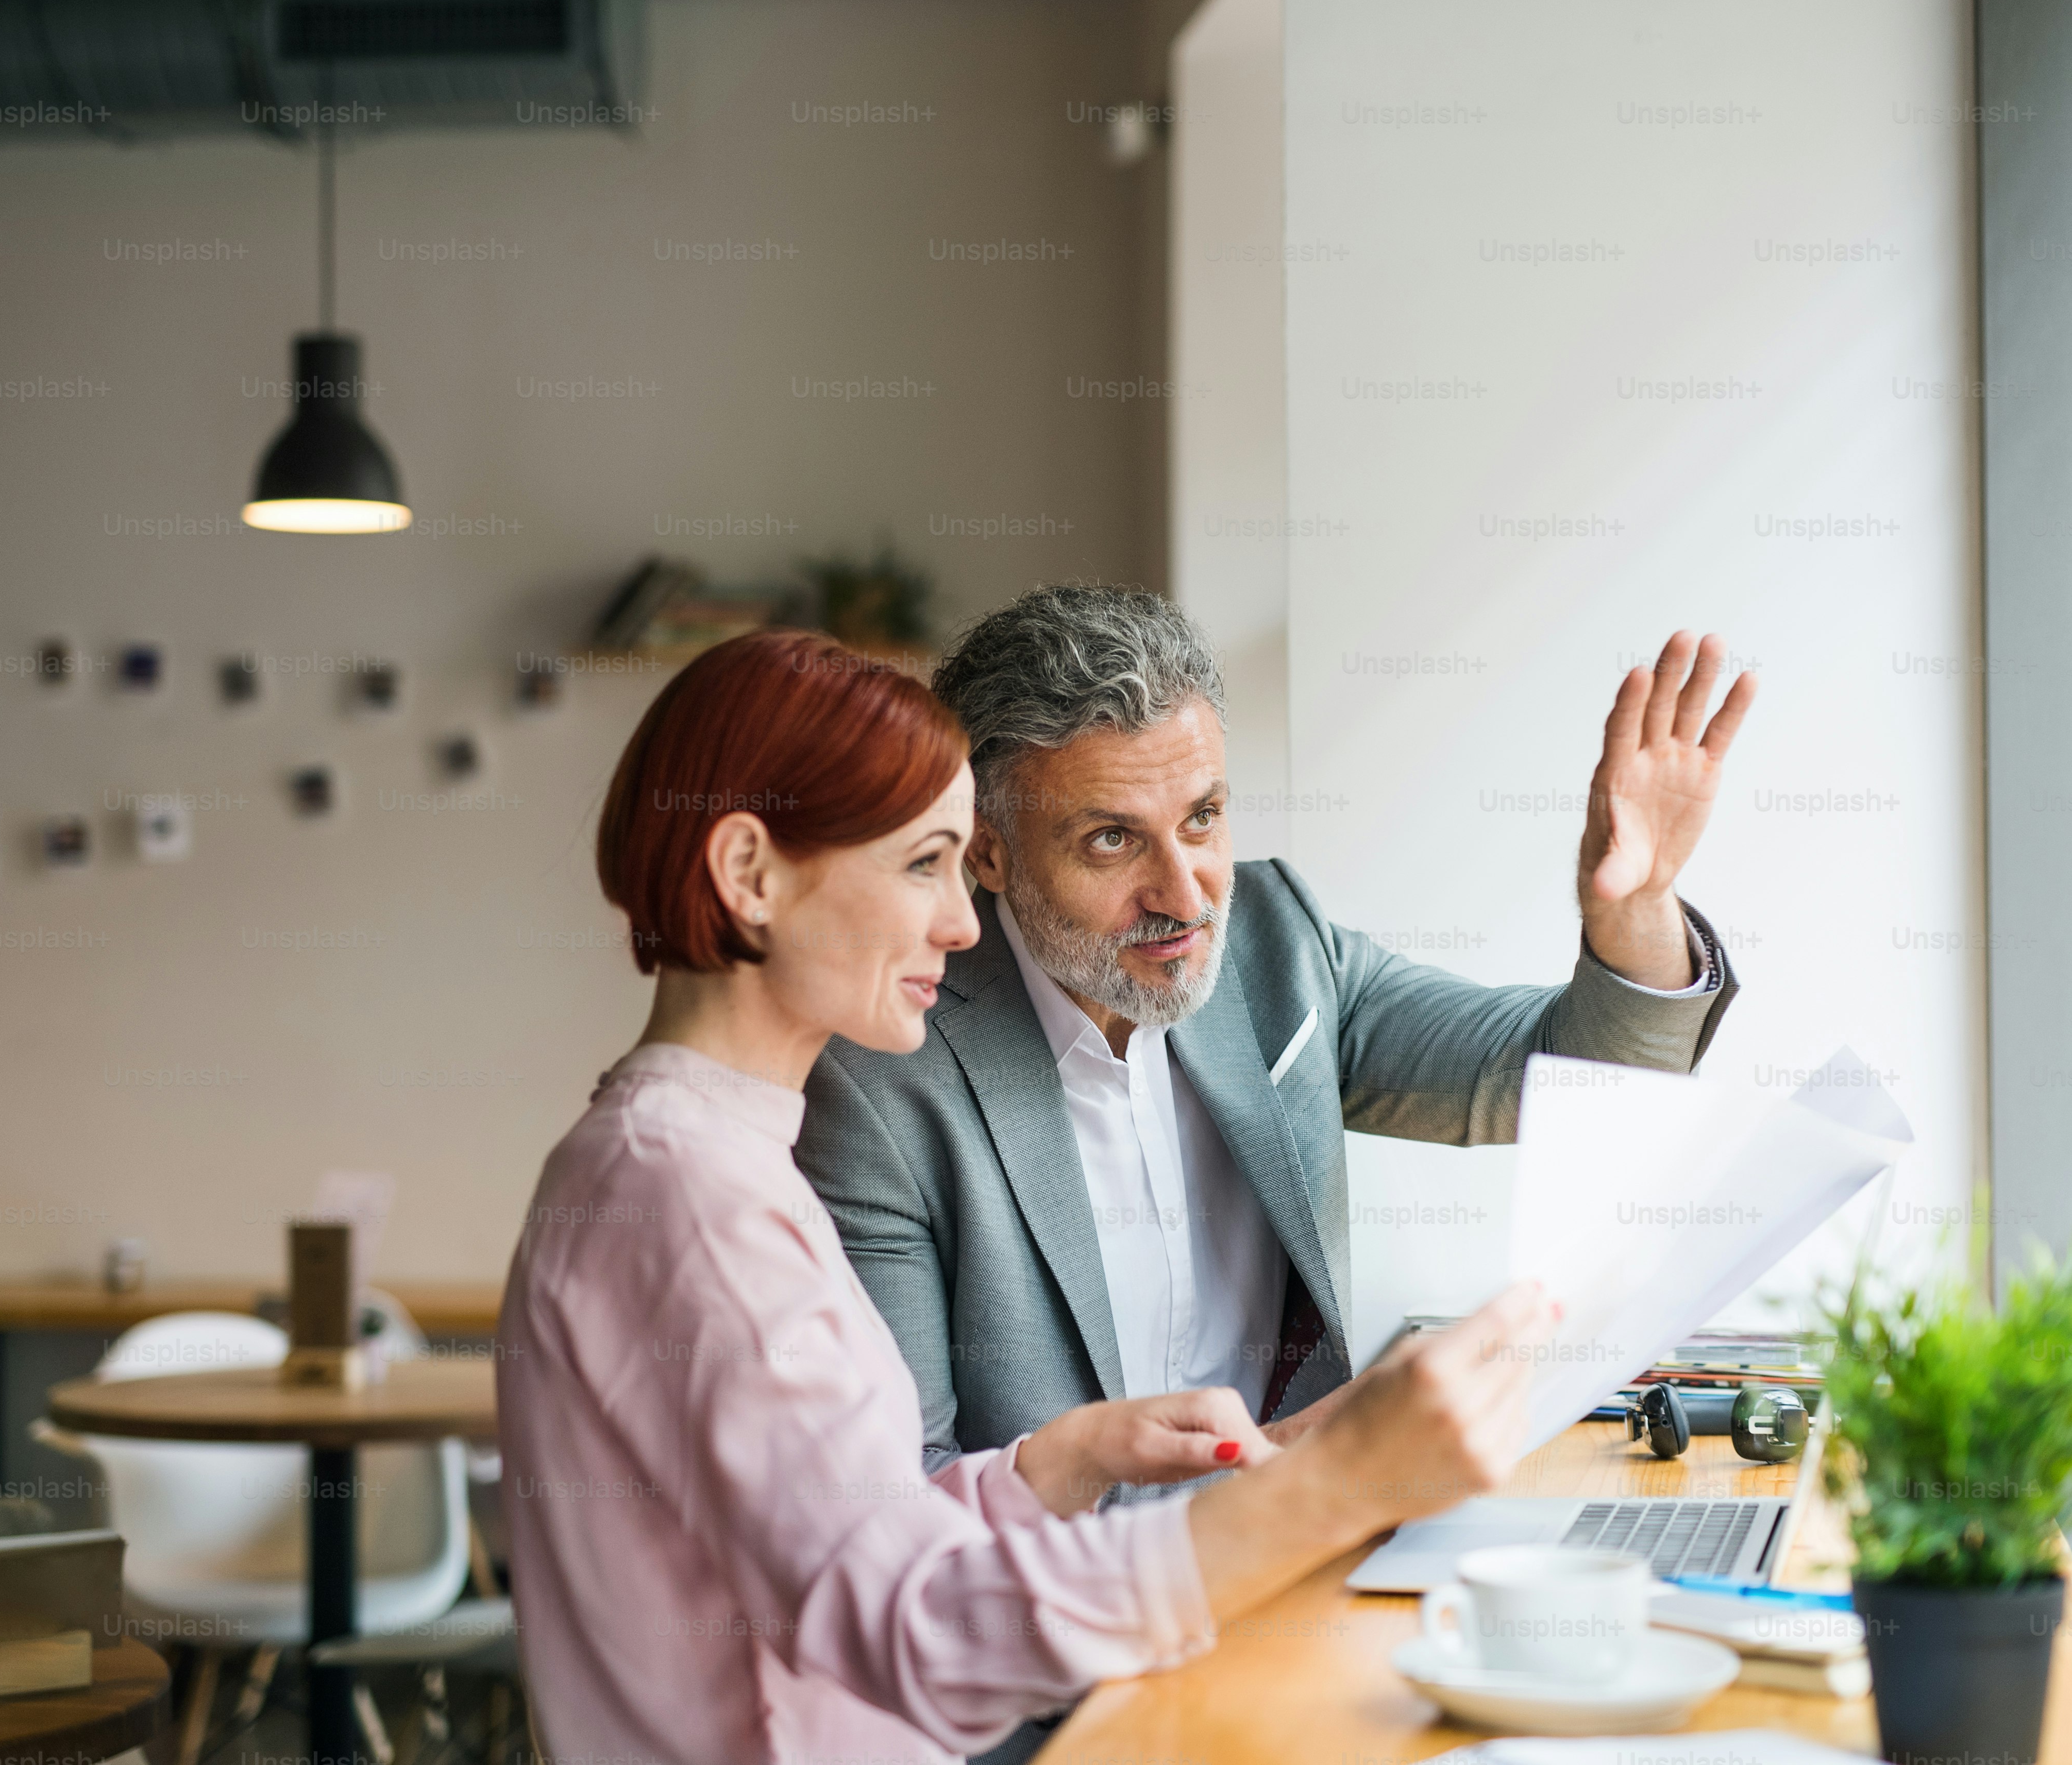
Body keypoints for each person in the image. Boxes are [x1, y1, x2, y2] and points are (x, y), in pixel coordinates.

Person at [497, 628, 1556, 1765]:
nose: (961, 925)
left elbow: (854, 1548)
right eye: (923, 864)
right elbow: (914, 1633)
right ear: (751, 874)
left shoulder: (704, 1160)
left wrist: (1069, 1456)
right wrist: (1335, 1489)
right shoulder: (687, 1202)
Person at [795, 585, 1755, 1466]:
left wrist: (1638, 912)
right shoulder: (880, 1079)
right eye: (1112, 840)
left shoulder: (1274, 942)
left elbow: (1569, 1081)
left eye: (1203, 818)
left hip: (1297, 1560)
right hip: (1056, 1607)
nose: (1184, 895)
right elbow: (900, 1499)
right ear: (990, 855)